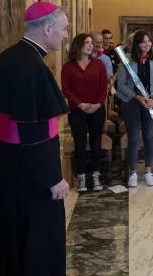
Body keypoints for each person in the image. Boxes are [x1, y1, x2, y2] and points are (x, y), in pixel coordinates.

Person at [0, 2, 70, 275]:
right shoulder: (32, 66)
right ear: (47, 28)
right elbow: (35, 133)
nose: (66, 35)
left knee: (8, 235)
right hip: (30, 175)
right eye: (64, 29)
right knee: (35, 241)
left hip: (7, 166)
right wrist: (52, 179)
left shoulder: (9, 57)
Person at [116, 30, 153, 188]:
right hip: (132, 102)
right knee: (134, 138)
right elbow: (121, 84)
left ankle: (149, 172)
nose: (147, 44)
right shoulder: (127, 60)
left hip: (150, 103)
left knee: (149, 136)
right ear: (137, 44)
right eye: (143, 42)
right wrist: (137, 97)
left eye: (149, 41)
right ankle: (133, 173)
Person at [61, 34, 108, 192]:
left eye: (91, 43)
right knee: (79, 143)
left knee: (96, 143)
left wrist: (97, 104)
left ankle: (95, 175)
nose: (90, 45)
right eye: (86, 43)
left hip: (96, 109)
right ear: (78, 45)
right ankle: (81, 176)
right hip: (77, 110)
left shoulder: (99, 64)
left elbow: (103, 88)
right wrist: (80, 104)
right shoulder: (68, 67)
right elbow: (66, 89)